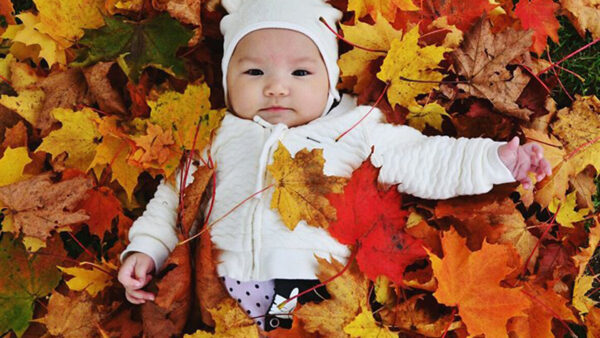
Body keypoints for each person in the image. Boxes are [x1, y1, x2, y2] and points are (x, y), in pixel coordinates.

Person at [117, 0, 552, 331]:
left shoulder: (356, 127)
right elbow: (174, 198)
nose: (276, 88)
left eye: (301, 73)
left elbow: (425, 160)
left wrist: (494, 159)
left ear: (329, 77)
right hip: (222, 295)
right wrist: (148, 248)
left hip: (316, 289)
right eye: (253, 73)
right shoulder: (219, 136)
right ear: (227, 82)